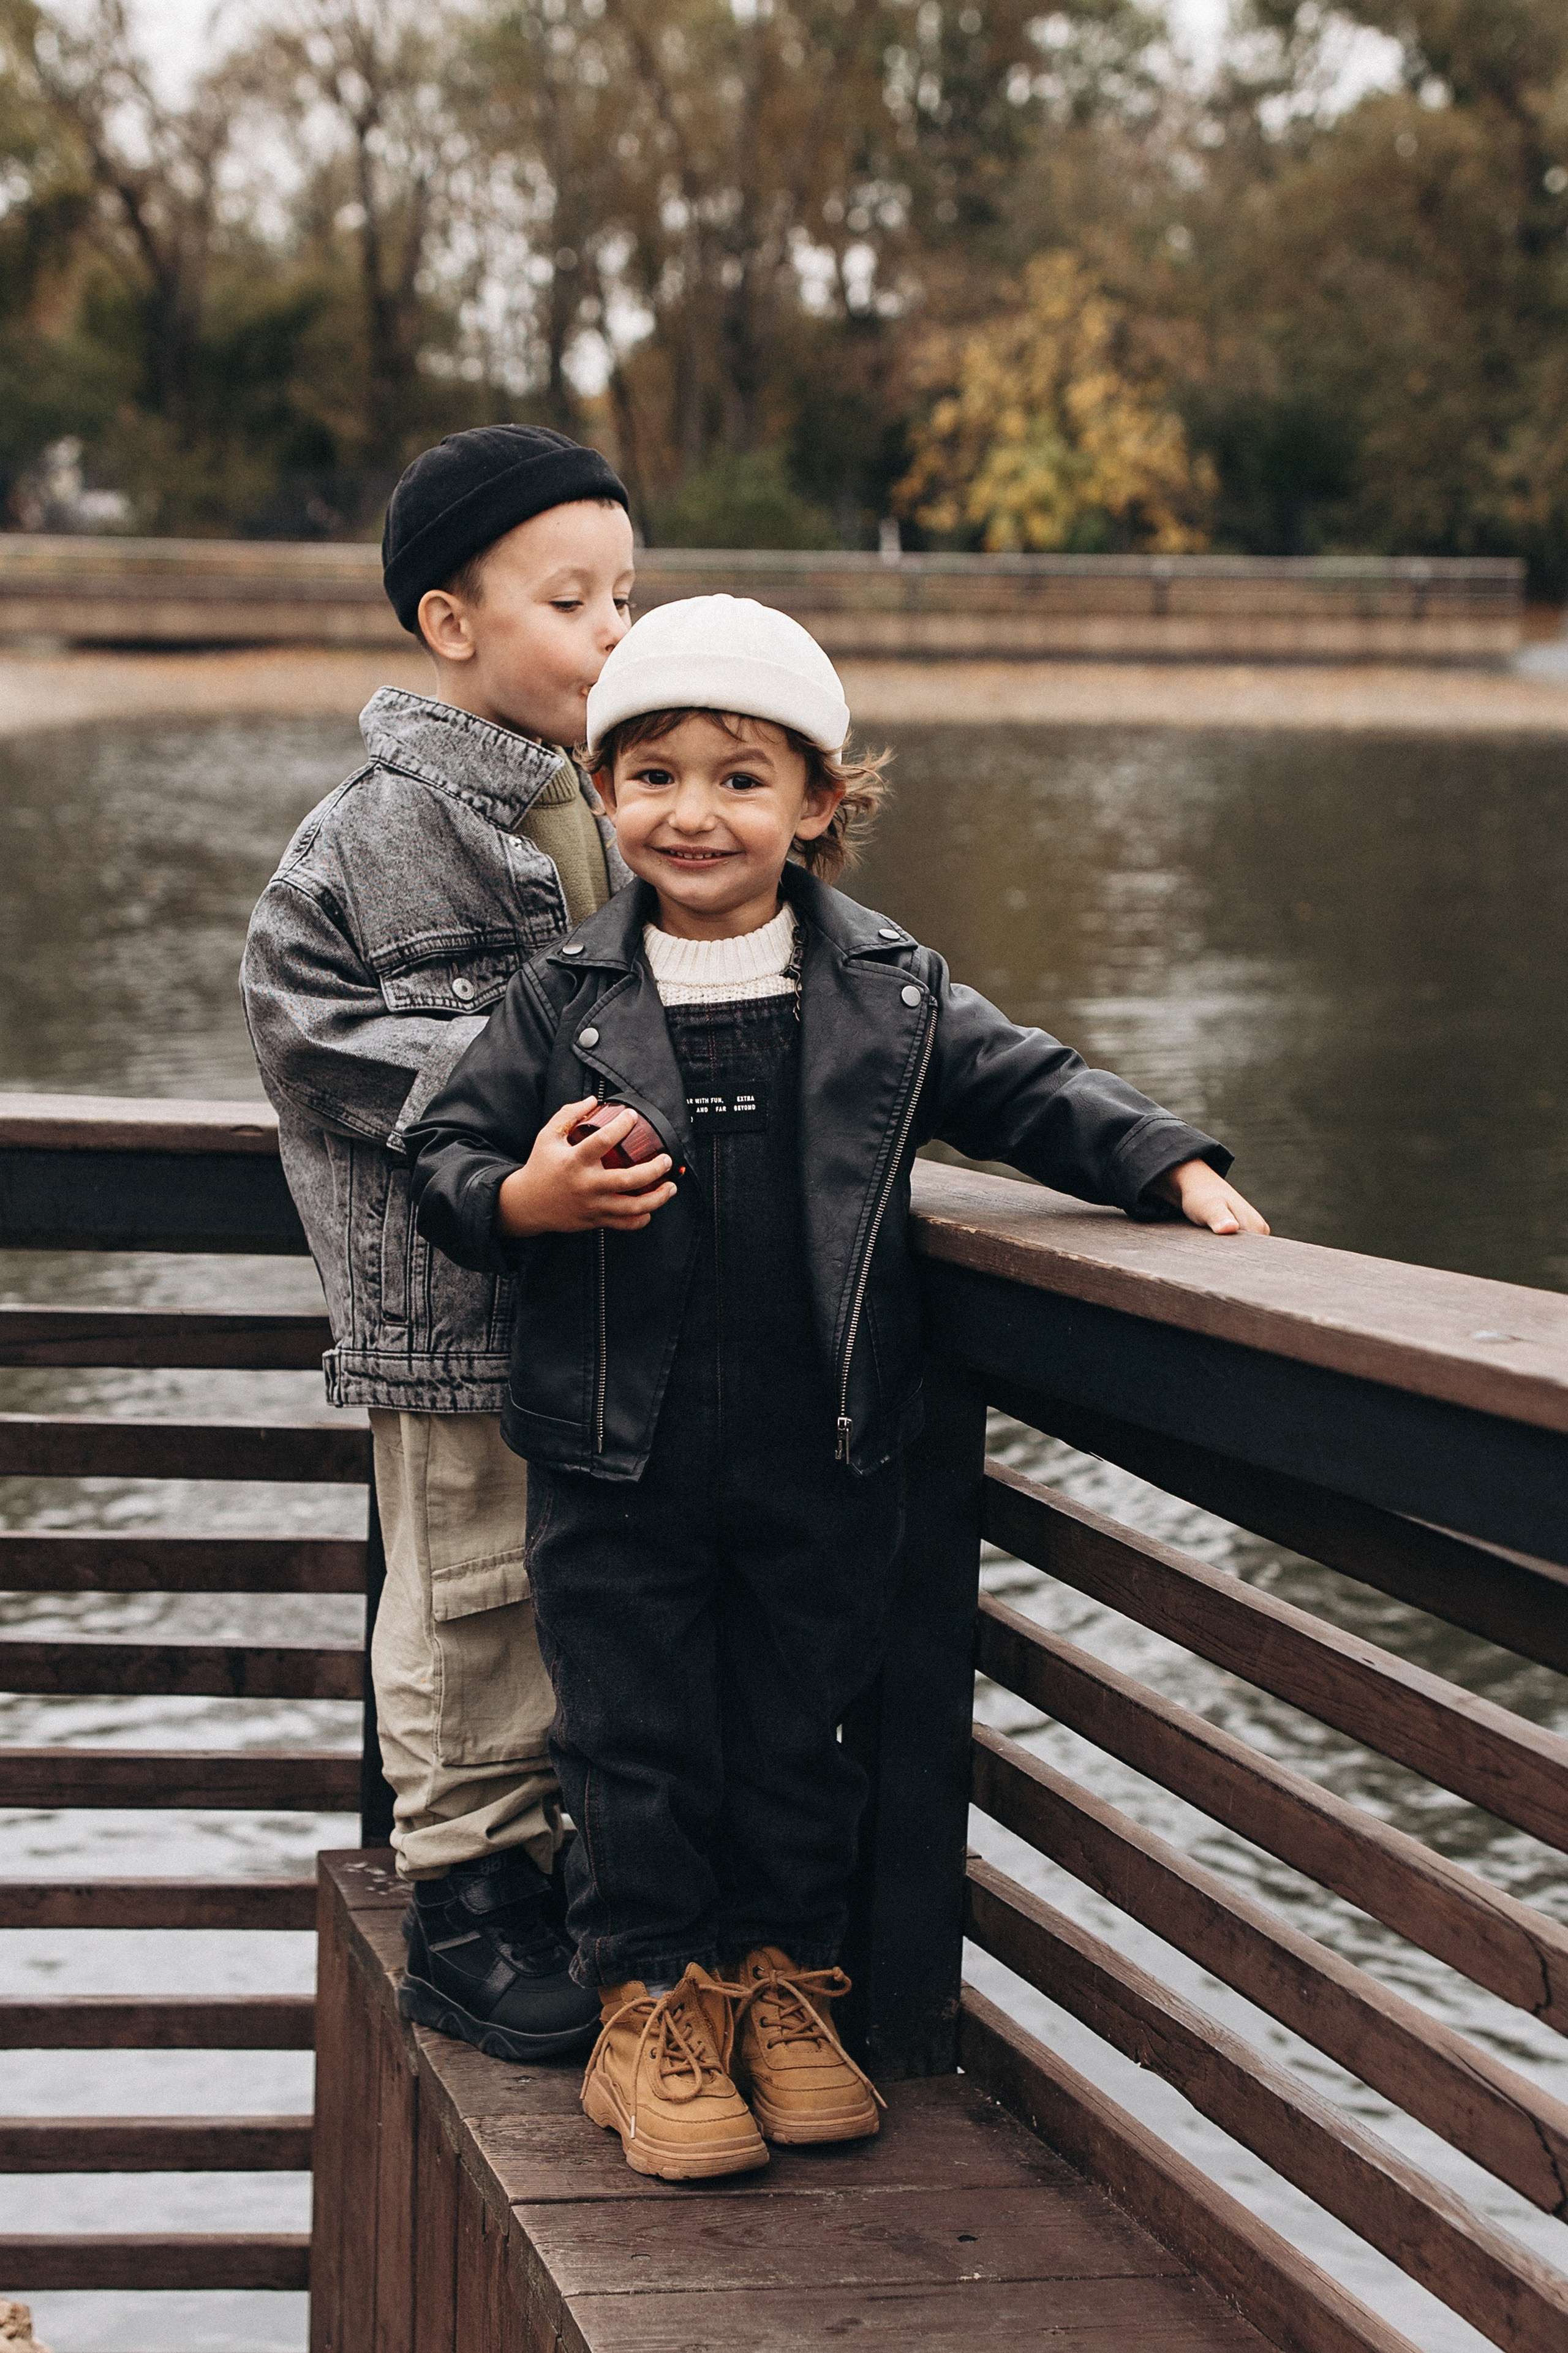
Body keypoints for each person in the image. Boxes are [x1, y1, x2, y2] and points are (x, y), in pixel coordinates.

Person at [406, 594, 1268, 2180]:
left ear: (818, 802)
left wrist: (1168, 1159)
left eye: (741, 777)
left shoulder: (889, 985)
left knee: (801, 1736)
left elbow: (1033, 1087)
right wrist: (526, 1196)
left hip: (825, 1445)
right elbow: (439, 1152)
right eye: (651, 772)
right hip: (617, 1459)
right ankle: (650, 2008)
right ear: (603, 794)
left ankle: (777, 1987)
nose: (693, 810)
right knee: (638, 1742)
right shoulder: (564, 995)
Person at [241, 425, 638, 2061]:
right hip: (454, 1303)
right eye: (573, 598)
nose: (616, 630)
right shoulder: (362, 841)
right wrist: (537, 1097)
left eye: (629, 592)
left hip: (611, 1296)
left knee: (589, 1583)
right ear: (451, 624)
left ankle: (576, 1863)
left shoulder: (619, 803)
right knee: (473, 1588)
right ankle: (469, 1896)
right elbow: (311, 1036)